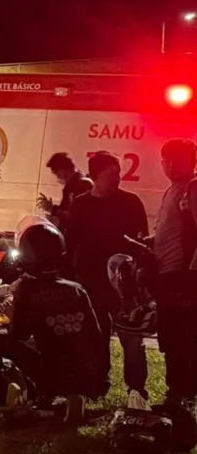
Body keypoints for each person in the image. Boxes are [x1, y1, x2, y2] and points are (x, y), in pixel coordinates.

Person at [0, 222, 102, 423]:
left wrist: (11, 313)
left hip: (53, 373)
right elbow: (96, 334)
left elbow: (18, 335)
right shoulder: (77, 289)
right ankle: (74, 395)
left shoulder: (27, 289)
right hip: (89, 375)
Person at [64, 151, 150, 399]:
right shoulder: (80, 204)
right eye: (111, 175)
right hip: (90, 282)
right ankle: (97, 384)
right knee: (95, 336)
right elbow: (71, 243)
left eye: (119, 173)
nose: (117, 179)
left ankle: (136, 390)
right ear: (95, 175)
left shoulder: (131, 202)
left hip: (124, 284)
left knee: (131, 338)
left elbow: (141, 243)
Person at [147, 139, 197, 403]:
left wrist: (191, 274)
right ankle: (176, 392)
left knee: (183, 339)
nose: (169, 165)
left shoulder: (193, 187)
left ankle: (183, 394)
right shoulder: (173, 189)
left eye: (177, 159)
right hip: (168, 276)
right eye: (166, 160)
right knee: (170, 338)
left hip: (183, 277)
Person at [39, 152, 94, 233]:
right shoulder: (71, 185)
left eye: (56, 173)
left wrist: (53, 210)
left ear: (62, 170)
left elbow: (77, 217)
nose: (57, 177)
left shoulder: (82, 185)